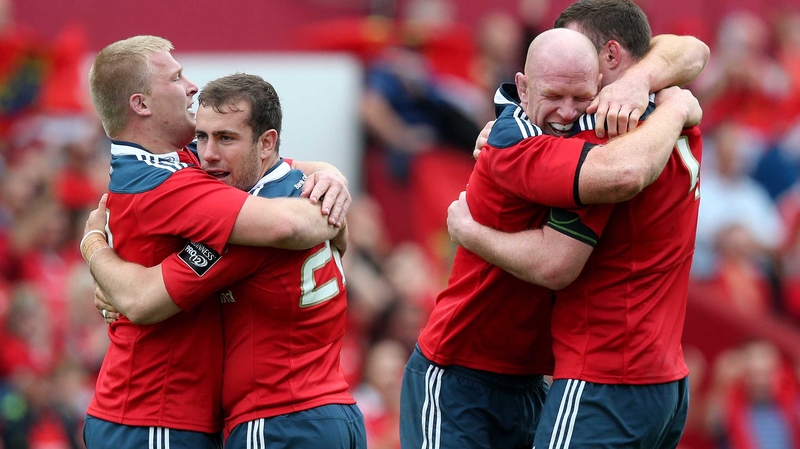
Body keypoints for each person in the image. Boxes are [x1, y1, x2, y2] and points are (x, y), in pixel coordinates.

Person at [399, 22, 704, 449]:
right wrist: (675, 107)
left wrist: (650, 86)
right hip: (458, 371)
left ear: (601, 75)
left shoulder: (595, 134)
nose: (566, 111)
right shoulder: (515, 140)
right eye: (554, 96)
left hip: (530, 380)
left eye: (580, 97)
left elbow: (692, 49)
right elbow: (560, 257)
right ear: (523, 88)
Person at [79, 36, 348, 449]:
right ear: (141, 104)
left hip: (184, 414)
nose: (191, 87)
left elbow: (270, 168)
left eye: (223, 139)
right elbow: (140, 300)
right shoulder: (169, 185)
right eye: (176, 77)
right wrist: (94, 247)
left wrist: (329, 174)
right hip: (152, 413)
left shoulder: (179, 160)